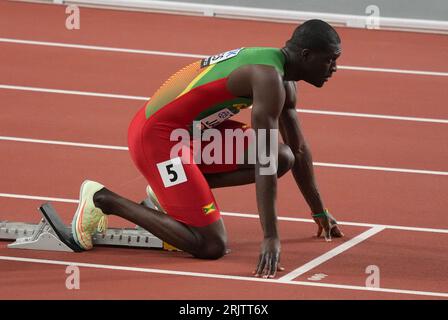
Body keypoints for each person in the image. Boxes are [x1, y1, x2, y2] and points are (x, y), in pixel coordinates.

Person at [71, 19, 344, 279]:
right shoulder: (267, 77)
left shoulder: (284, 79)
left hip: (191, 136)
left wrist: (318, 210)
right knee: (210, 245)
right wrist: (271, 237)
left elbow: (297, 149)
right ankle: (102, 199)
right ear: (307, 55)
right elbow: (264, 162)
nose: (334, 68)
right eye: (330, 59)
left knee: (283, 156)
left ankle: (168, 193)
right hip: (157, 137)